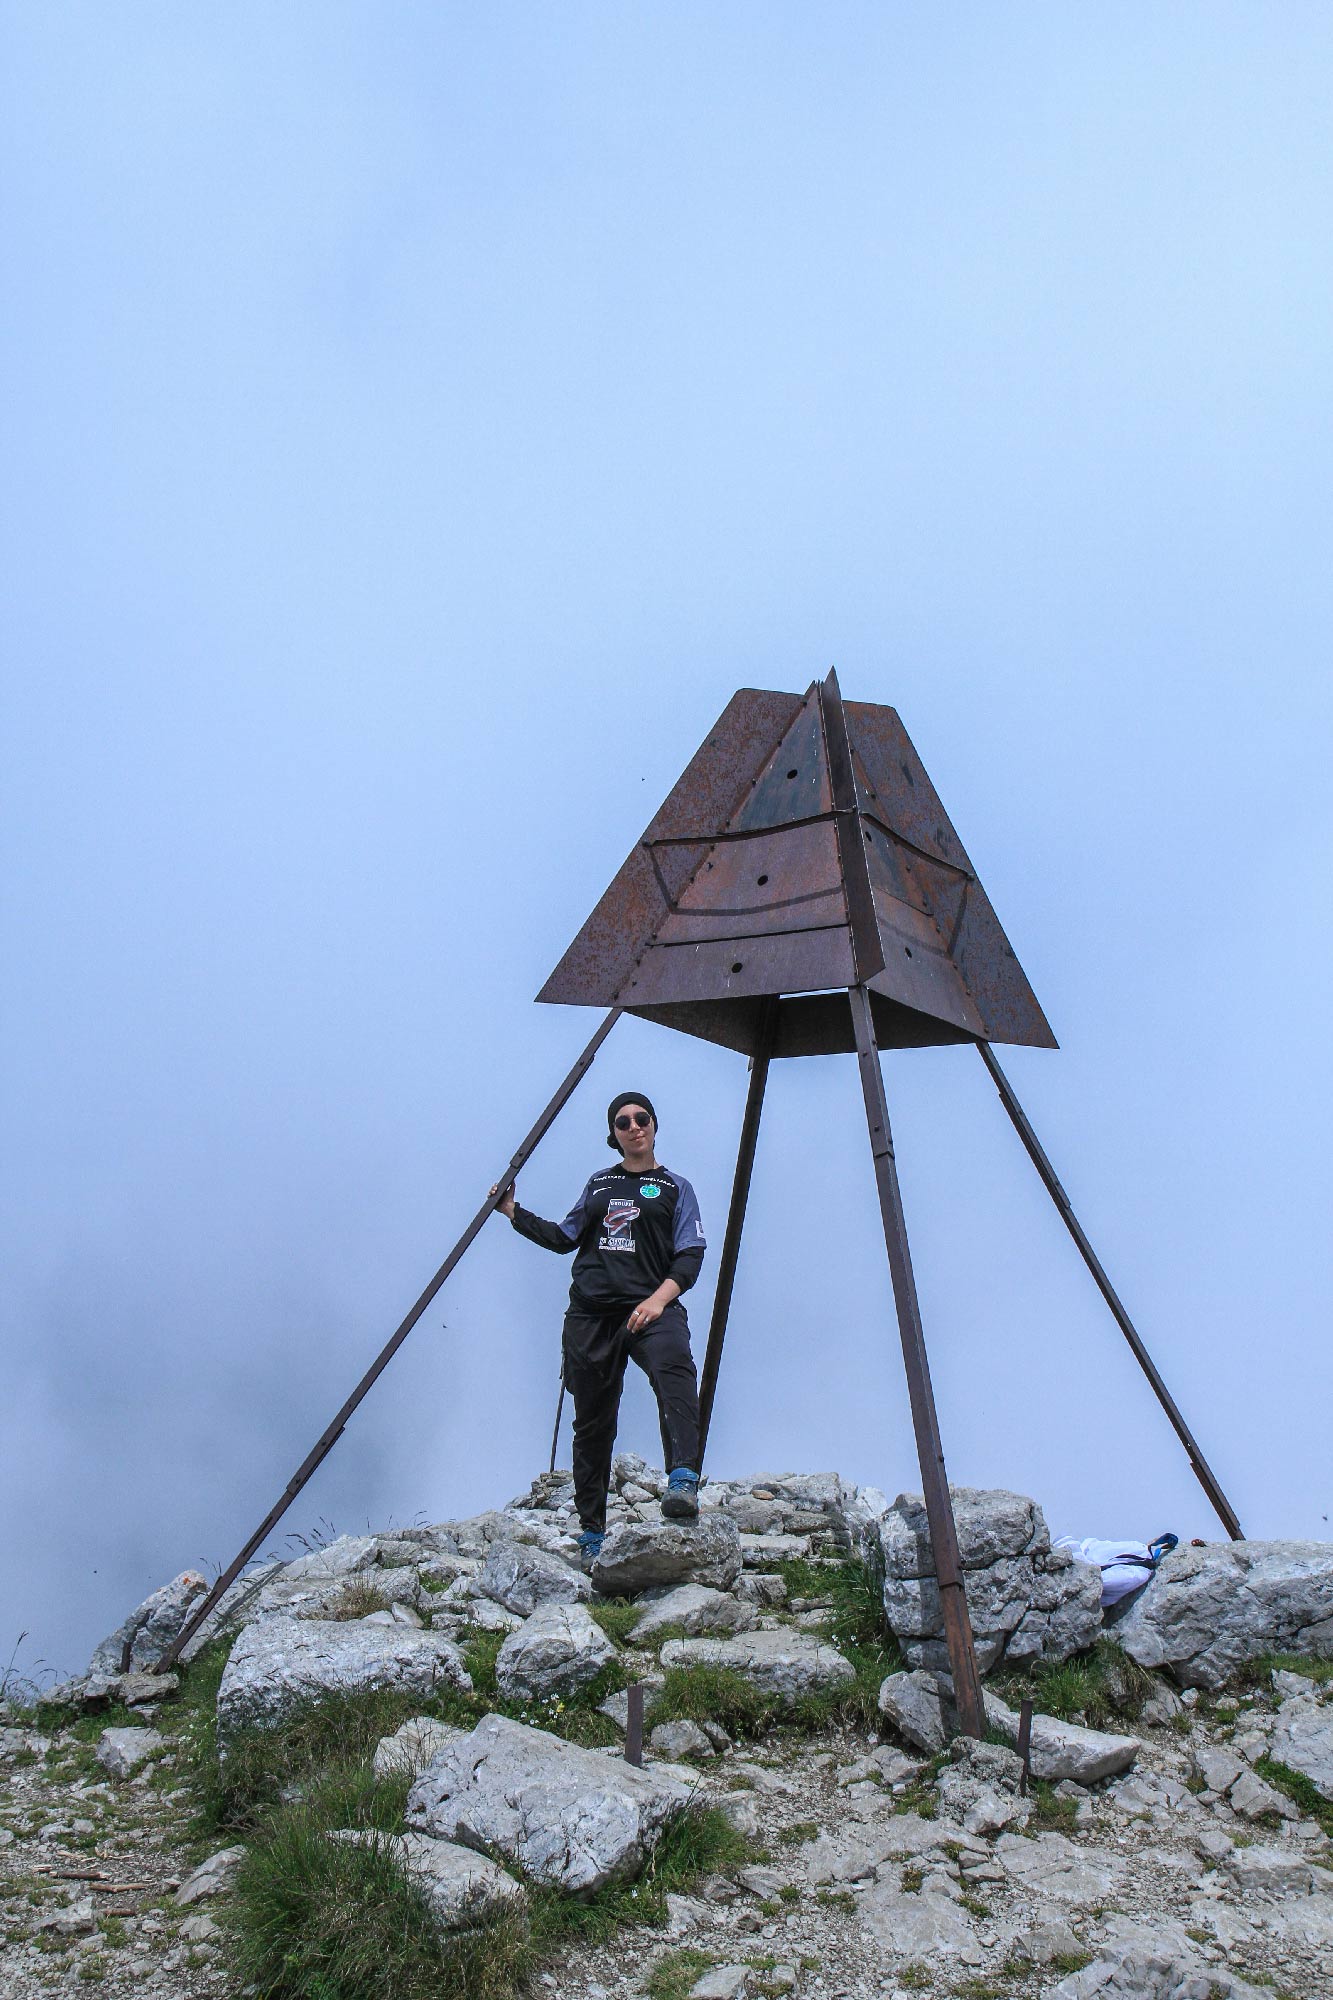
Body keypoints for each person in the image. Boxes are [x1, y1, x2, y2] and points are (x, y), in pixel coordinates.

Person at [491, 1091, 707, 1567]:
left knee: (675, 1373)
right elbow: (565, 1236)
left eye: (641, 1118)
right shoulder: (599, 1184)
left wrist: (658, 1300)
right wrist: (513, 1212)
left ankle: (683, 1480)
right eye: (623, 1122)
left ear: (654, 1125)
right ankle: (592, 1532)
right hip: (591, 1314)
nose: (634, 1127)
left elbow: (690, 1255)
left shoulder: (676, 1187)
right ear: (613, 1135)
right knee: (592, 1422)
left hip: (652, 1306)